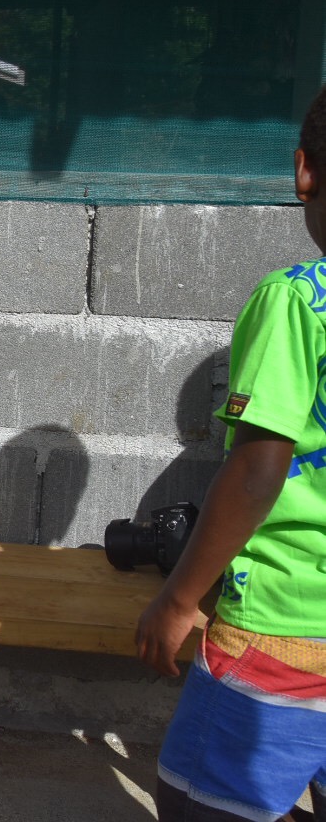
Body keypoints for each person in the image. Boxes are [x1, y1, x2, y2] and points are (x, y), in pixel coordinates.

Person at [135, 85, 326, 821]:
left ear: (304, 169)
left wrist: (180, 599)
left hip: (285, 630)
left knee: (201, 803)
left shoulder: (296, 301)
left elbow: (258, 471)